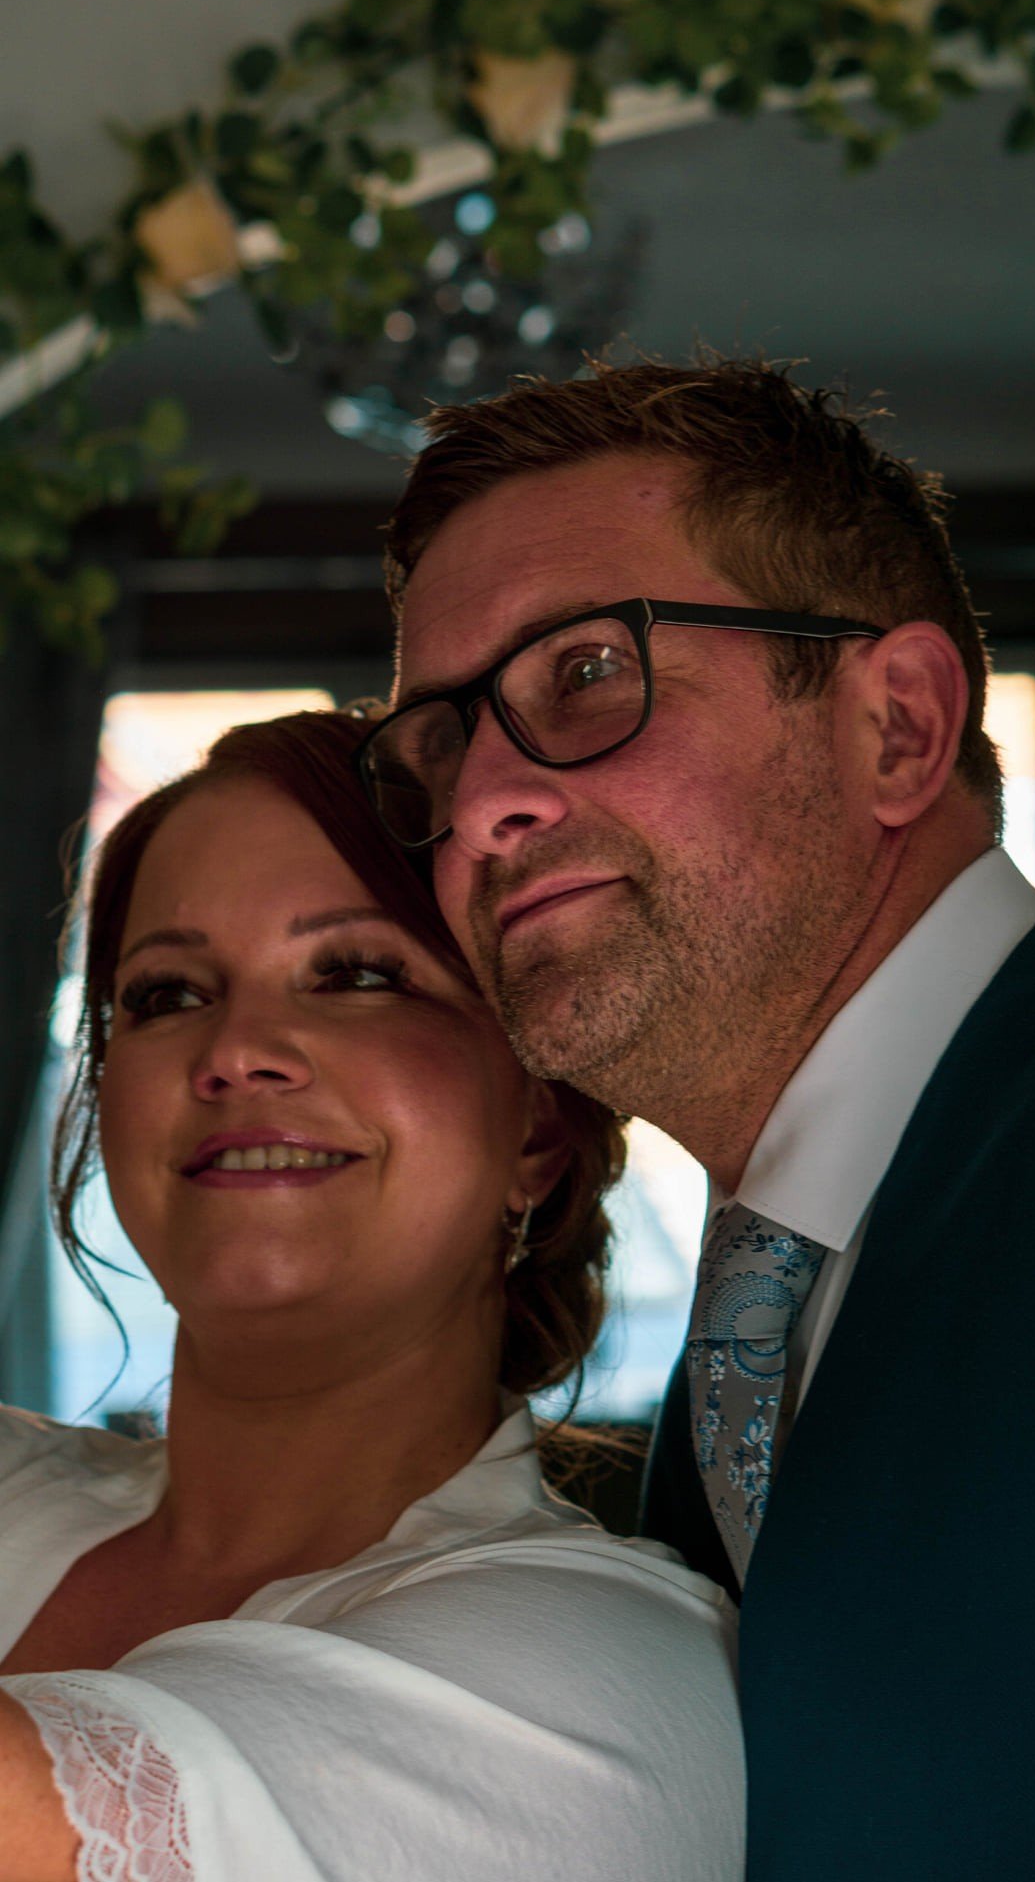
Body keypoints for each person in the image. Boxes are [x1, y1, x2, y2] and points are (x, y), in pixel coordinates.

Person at [357, 355, 1035, 1879]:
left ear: (896, 725)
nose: (482, 799)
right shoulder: (757, 1322)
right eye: (438, 740)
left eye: (584, 673)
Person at [0, 708, 743, 1882]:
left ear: (538, 1130)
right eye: (166, 992)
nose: (237, 1048)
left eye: (354, 974)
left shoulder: (599, 1669)